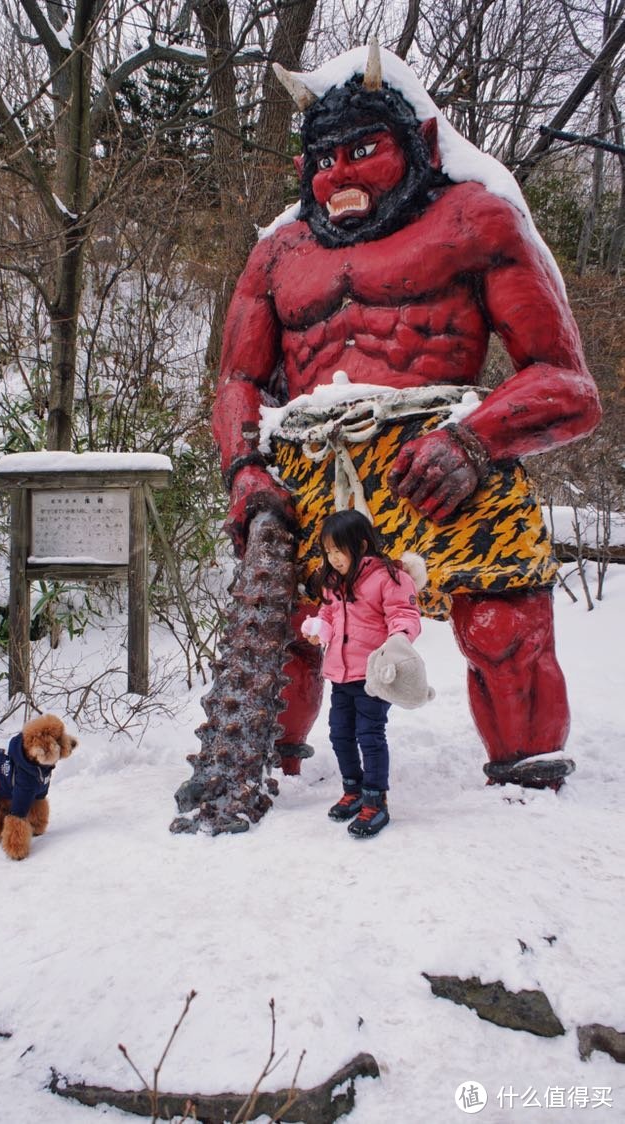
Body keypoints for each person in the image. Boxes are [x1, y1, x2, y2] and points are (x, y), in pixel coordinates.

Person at [213, 43, 601, 790]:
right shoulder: (277, 255)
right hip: (313, 468)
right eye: (325, 159)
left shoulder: (477, 221)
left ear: (418, 145)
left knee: (502, 624)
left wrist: (474, 440)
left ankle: (528, 782)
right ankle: (269, 770)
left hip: (449, 459)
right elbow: (237, 380)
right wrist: (244, 468)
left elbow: (568, 384)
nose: (341, 176)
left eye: (365, 150)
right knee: (292, 631)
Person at [301, 510, 422, 837]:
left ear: (361, 545)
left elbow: (404, 615)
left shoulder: (388, 578)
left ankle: (375, 800)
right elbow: (328, 614)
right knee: (340, 734)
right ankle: (353, 790)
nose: (333, 558)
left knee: (369, 735)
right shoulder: (332, 582)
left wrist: (398, 641)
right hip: (340, 674)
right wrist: (319, 629)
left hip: (373, 675)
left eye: (338, 550)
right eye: (327, 551)